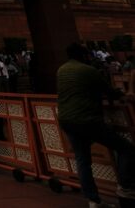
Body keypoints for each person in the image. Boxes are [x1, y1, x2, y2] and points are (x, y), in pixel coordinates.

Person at [58, 42, 135, 208]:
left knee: (82, 159)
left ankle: (93, 200)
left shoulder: (61, 70)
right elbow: (109, 91)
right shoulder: (88, 70)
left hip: (66, 119)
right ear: (83, 56)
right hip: (87, 120)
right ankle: (126, 188)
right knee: (125, 148)